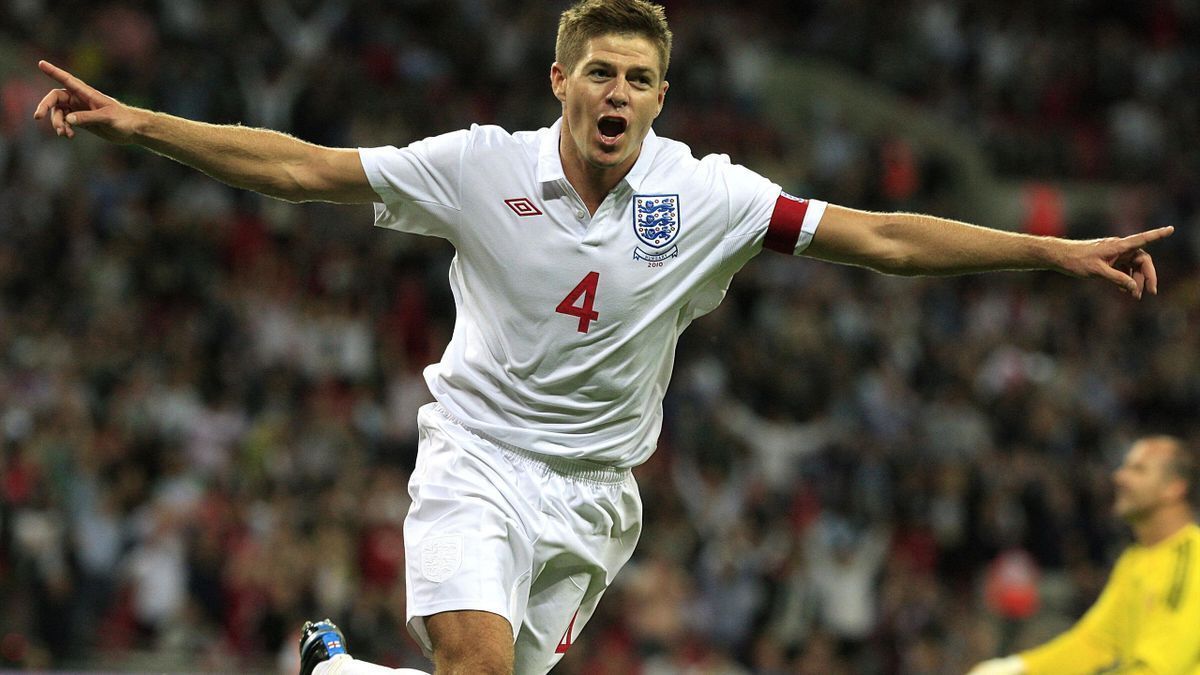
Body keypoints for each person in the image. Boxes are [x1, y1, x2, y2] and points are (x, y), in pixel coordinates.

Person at [33, 1, 1174, 673]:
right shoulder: (481, 166)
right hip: (476, 457)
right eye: (599, 74)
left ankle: (335, 670)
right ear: (561, 83)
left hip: (597, 499)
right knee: (475, 665)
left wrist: (1049, 253)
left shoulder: (709, 194)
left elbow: (880, 237)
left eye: (639, 77)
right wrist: (140, 124)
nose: (617, 92)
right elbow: (298, 167)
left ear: (662, 96)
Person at [968, 436, 1200, 675]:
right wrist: (1017, 668)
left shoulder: (1192, 561)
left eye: (1138, 470)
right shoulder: (1136, 559)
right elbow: (1094, 644)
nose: (1119, 476)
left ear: (1175, 487)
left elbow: (1159, 670)